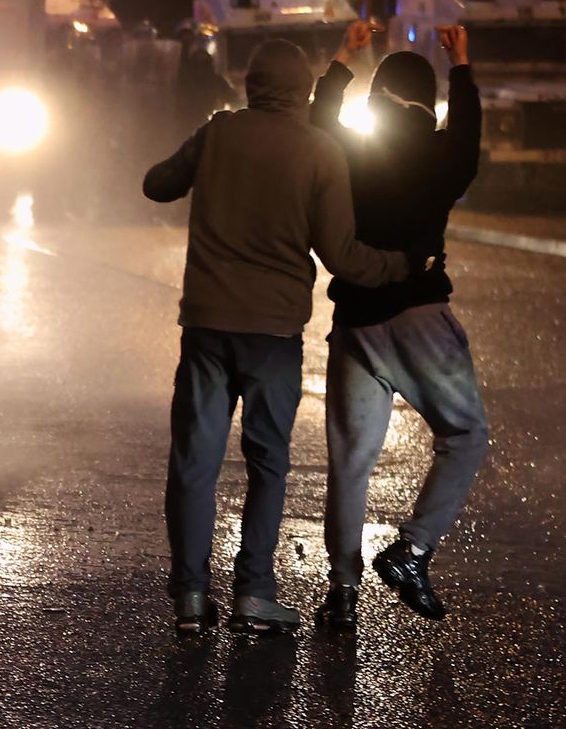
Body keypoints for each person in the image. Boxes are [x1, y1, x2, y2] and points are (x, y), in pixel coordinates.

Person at [143, 38, 419, 636]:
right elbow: (342, 255)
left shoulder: (217, 134)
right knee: (268, 464)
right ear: (302, 91)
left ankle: (190, 596)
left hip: (207, 328)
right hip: (272, 336)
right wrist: (401, 266)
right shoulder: (321, 151)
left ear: (249, 83)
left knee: (194, 462)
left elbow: (157, 185)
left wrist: (200, 156)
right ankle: (254, 595)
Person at [309, 21, 488, 631]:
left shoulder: (350, 153)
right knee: (464, 435)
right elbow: (468, 139)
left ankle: (341, 589)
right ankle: (411, 552)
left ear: (376, 96)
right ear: (426, 100)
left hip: (355, 321)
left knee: (351, 461)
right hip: (417, 316)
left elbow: (319, 124)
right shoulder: (441, 157)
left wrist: (342, 59)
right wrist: (461, 67)